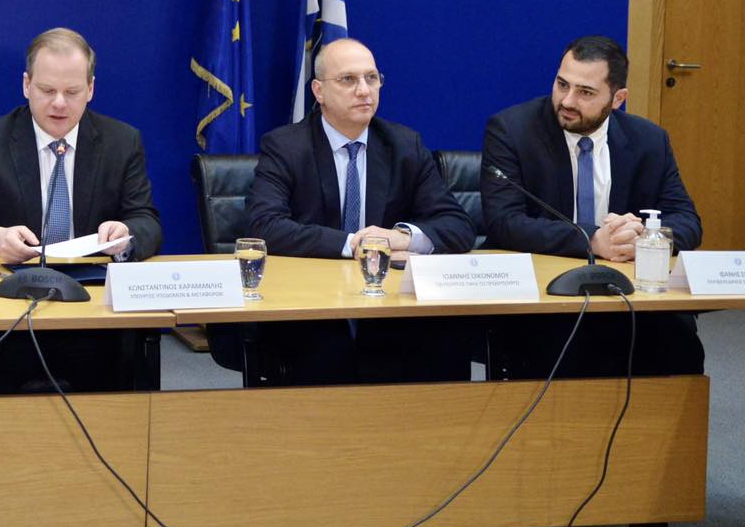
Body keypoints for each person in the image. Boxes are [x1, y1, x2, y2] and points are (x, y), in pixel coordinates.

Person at [236, 37, 474, 384]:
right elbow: (264, 225)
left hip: (386, 303)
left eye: (371, 78)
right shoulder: (286, 146)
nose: (364, 90)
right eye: (348, 80)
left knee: (446, 338)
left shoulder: (404, 145)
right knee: (325, 348)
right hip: (311, 304)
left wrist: (401, 237)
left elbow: (458, 226)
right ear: (319, 91)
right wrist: (355, 244)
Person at [0, 27, 162, 393]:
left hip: (92, 316)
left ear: (90, 89)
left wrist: (126, 237)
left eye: (72, 92)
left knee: (121, 373)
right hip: (5, 312)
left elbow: (146, 220)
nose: (59, 103)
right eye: (46, 90)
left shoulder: (122, 142)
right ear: (26, 85)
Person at [481, 35, 703, 377]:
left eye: (585, 92)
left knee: (678, 340)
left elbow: (687, 220)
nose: (567, 101)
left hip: (625, 291)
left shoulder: (649, 140)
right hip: (544, 293)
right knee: (562, 345)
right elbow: (503, 222)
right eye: (562, 84)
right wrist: (593, 240)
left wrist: (644, 238)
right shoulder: (512, 130)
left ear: (618, 99)